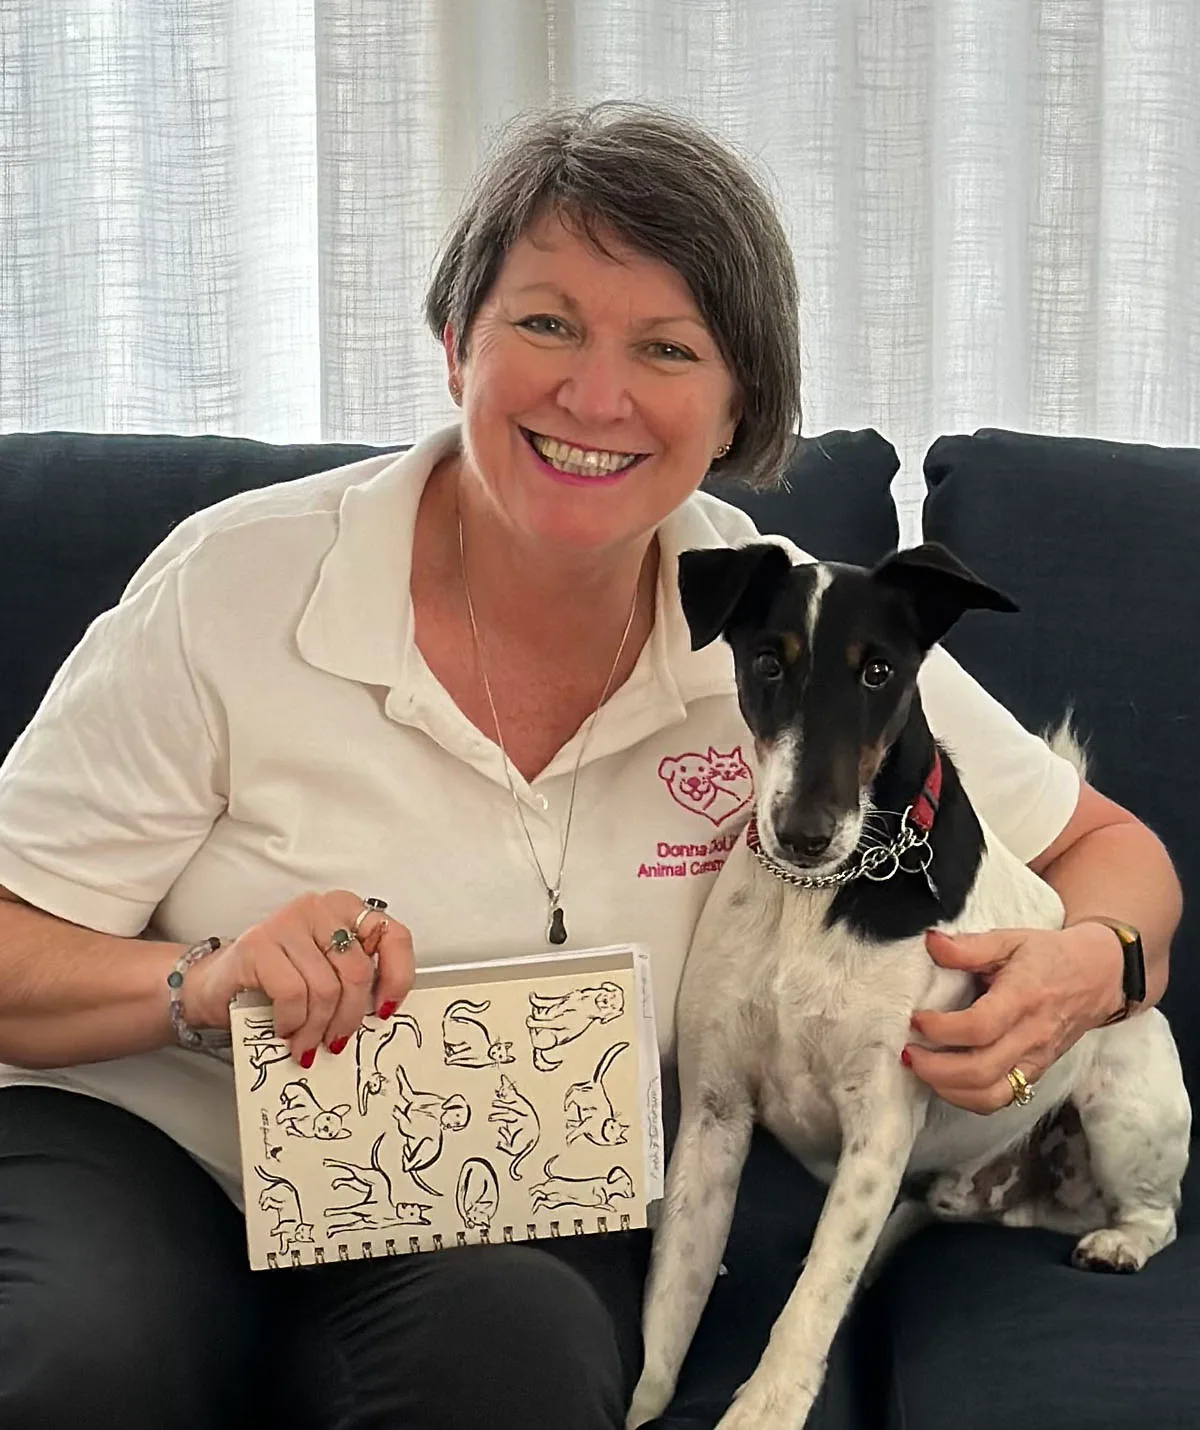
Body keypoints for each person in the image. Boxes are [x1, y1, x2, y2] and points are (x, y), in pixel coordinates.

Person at [0, 101, 1185, 1430]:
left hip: (485, 1196)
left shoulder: (789, 626)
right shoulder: (235, 584)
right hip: (156, 1145)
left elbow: (1111, 853)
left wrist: (1096, 970)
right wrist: (199, 982)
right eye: (547, 322)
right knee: (84, 1357)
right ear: (456, 343)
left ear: (739, 405)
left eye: (667, 347)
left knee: (514, 1367)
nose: (596, 394)